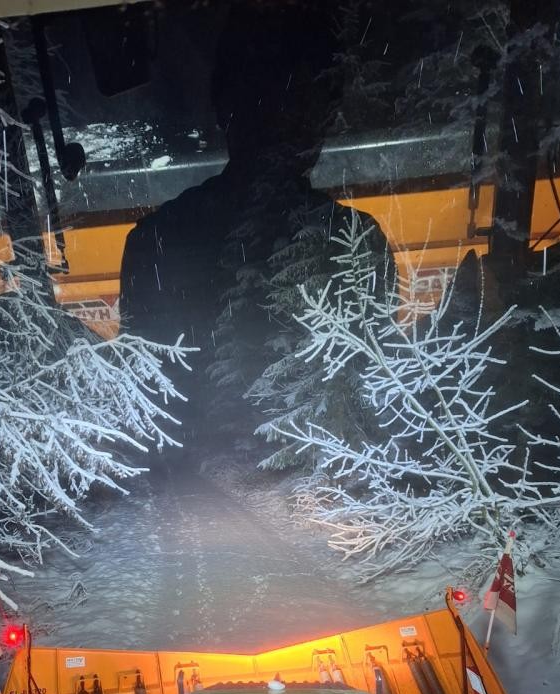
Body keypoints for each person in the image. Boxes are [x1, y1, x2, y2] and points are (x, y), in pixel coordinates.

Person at [119, 0, 388, 452]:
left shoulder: (156, 243)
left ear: (221, 108)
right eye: (295, 102)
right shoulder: (358, 240)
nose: (302, 123)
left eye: (311, 102)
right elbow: (371, 401)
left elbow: (149, 419)